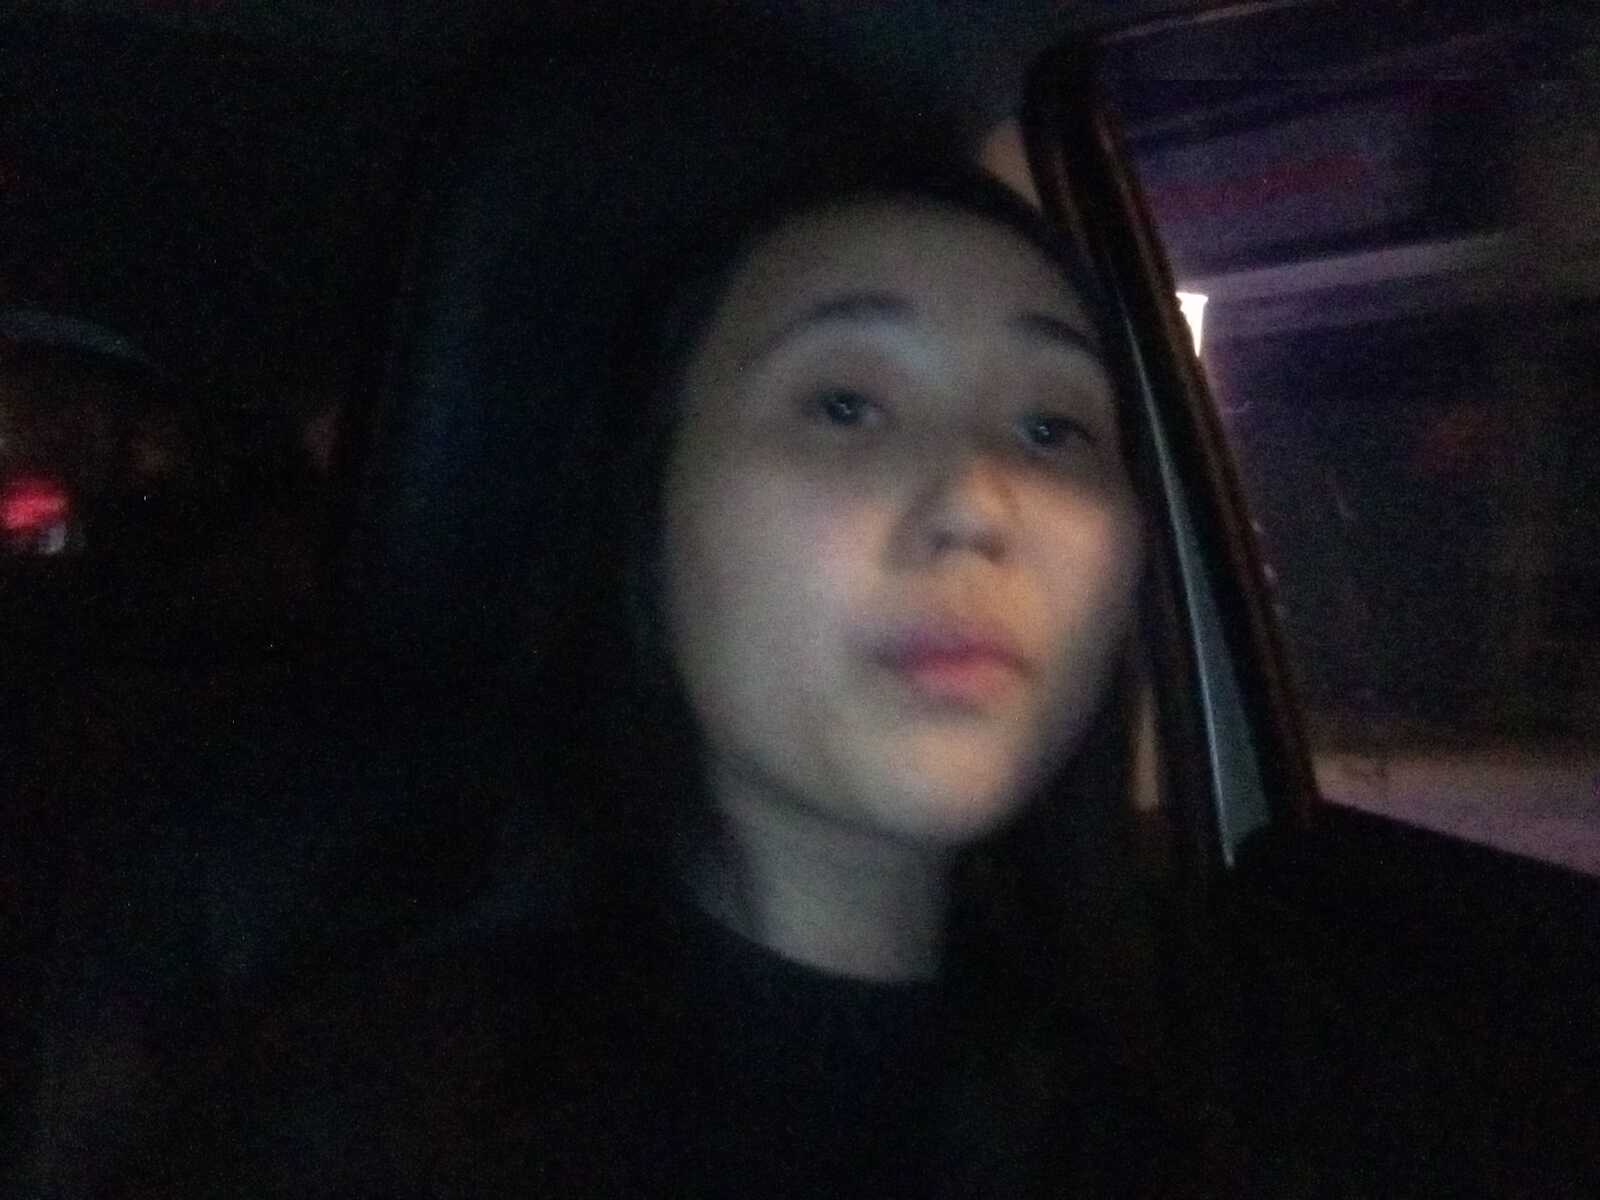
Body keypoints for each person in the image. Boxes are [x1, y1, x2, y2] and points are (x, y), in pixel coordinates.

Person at [114, 159, 1221, 1199]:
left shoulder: (1218, 1088)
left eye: (1052, 428)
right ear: (646, 513)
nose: (978, 503)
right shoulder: (359, 1124)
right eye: (845, 405)